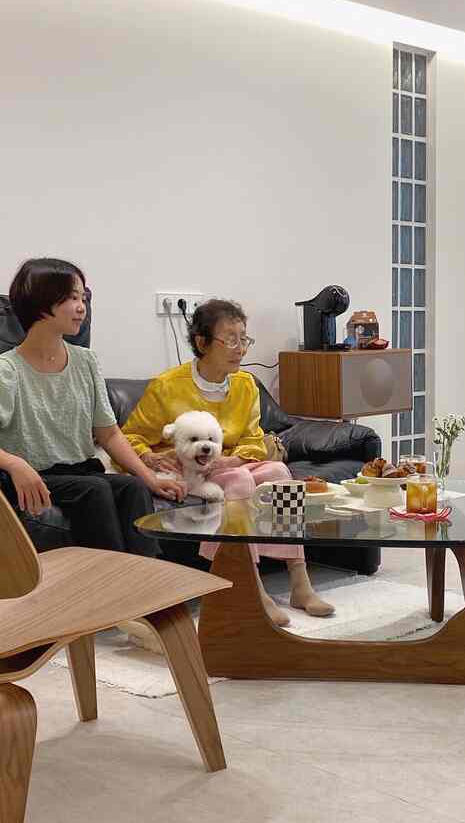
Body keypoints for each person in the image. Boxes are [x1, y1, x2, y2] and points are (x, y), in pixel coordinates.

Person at [121, 298, 335, 626]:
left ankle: (299, 580)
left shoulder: (245, 384)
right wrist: (153, 457)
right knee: (241, 482)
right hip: (193, 475)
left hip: (230, 465)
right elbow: (130, 437)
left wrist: (233, 457)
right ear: (202, 342)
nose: (240, 349)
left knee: (280, 471)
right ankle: (251, 588)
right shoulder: (167, 387)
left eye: (244, 339)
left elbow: (253, 438)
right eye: (231, 340)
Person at [0, 258, 185, 556]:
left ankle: (147, 586)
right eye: (72, 297)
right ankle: (109, 589)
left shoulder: (85, 362)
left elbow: (109, 434)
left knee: (133, 488)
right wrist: (14, 463)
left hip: (82, 472)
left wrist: (149, 478)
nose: (81, 306)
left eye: (83, 297)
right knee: (94, 490)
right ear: (40, 302)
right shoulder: (7, 370)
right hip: (33, 477)